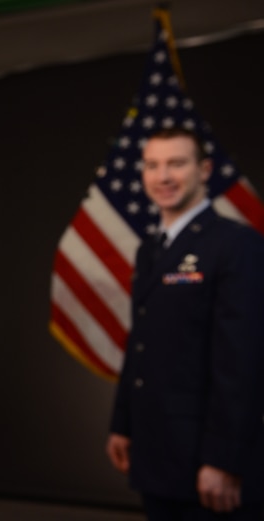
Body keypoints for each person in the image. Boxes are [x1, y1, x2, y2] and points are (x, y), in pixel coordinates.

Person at [106, 127, 264, 520]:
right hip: (155, 447)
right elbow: (141, 342)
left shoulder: (236, 245)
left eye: (177, 163)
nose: (163, 177)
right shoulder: (151, 249)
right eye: (153, 165)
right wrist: (122, 423)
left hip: (206, 458)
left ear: (204, 169)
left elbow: (242, 361)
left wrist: (224, 460)